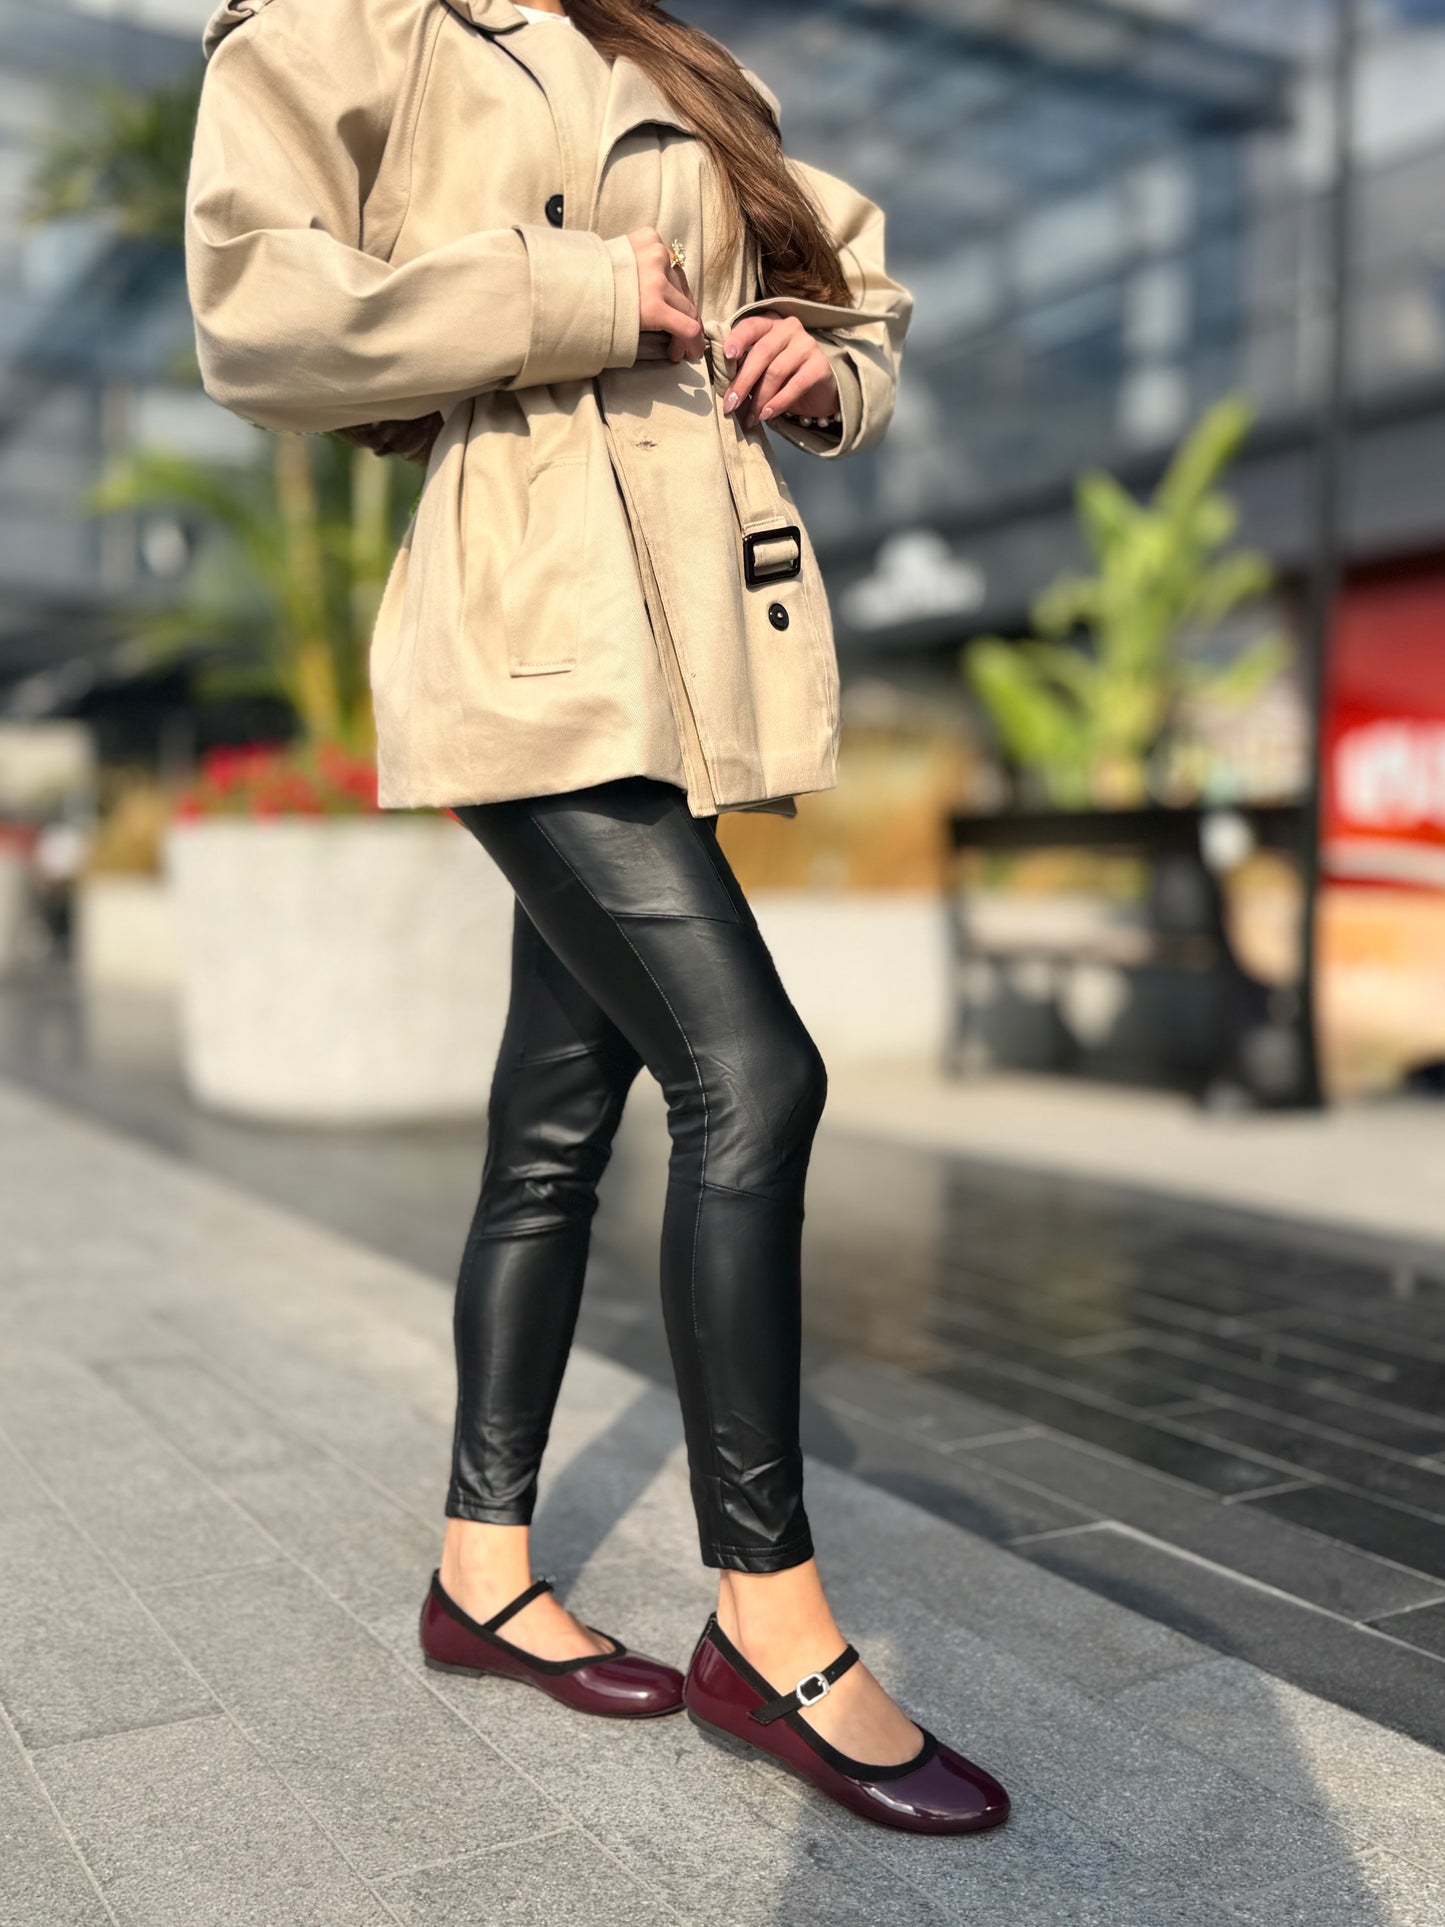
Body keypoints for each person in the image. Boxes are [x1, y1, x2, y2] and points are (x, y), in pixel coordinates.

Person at [186, 0, 1009, 1835]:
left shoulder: (692, 63)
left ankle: (481, 1580)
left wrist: (818, 359)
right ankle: (770, 1631)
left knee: (555, 1128)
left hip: (684, 642)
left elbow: (854, 287)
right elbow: (254, 313)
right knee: (755, 1082)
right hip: (523, 632)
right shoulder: (355, 28)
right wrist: (572, 295)